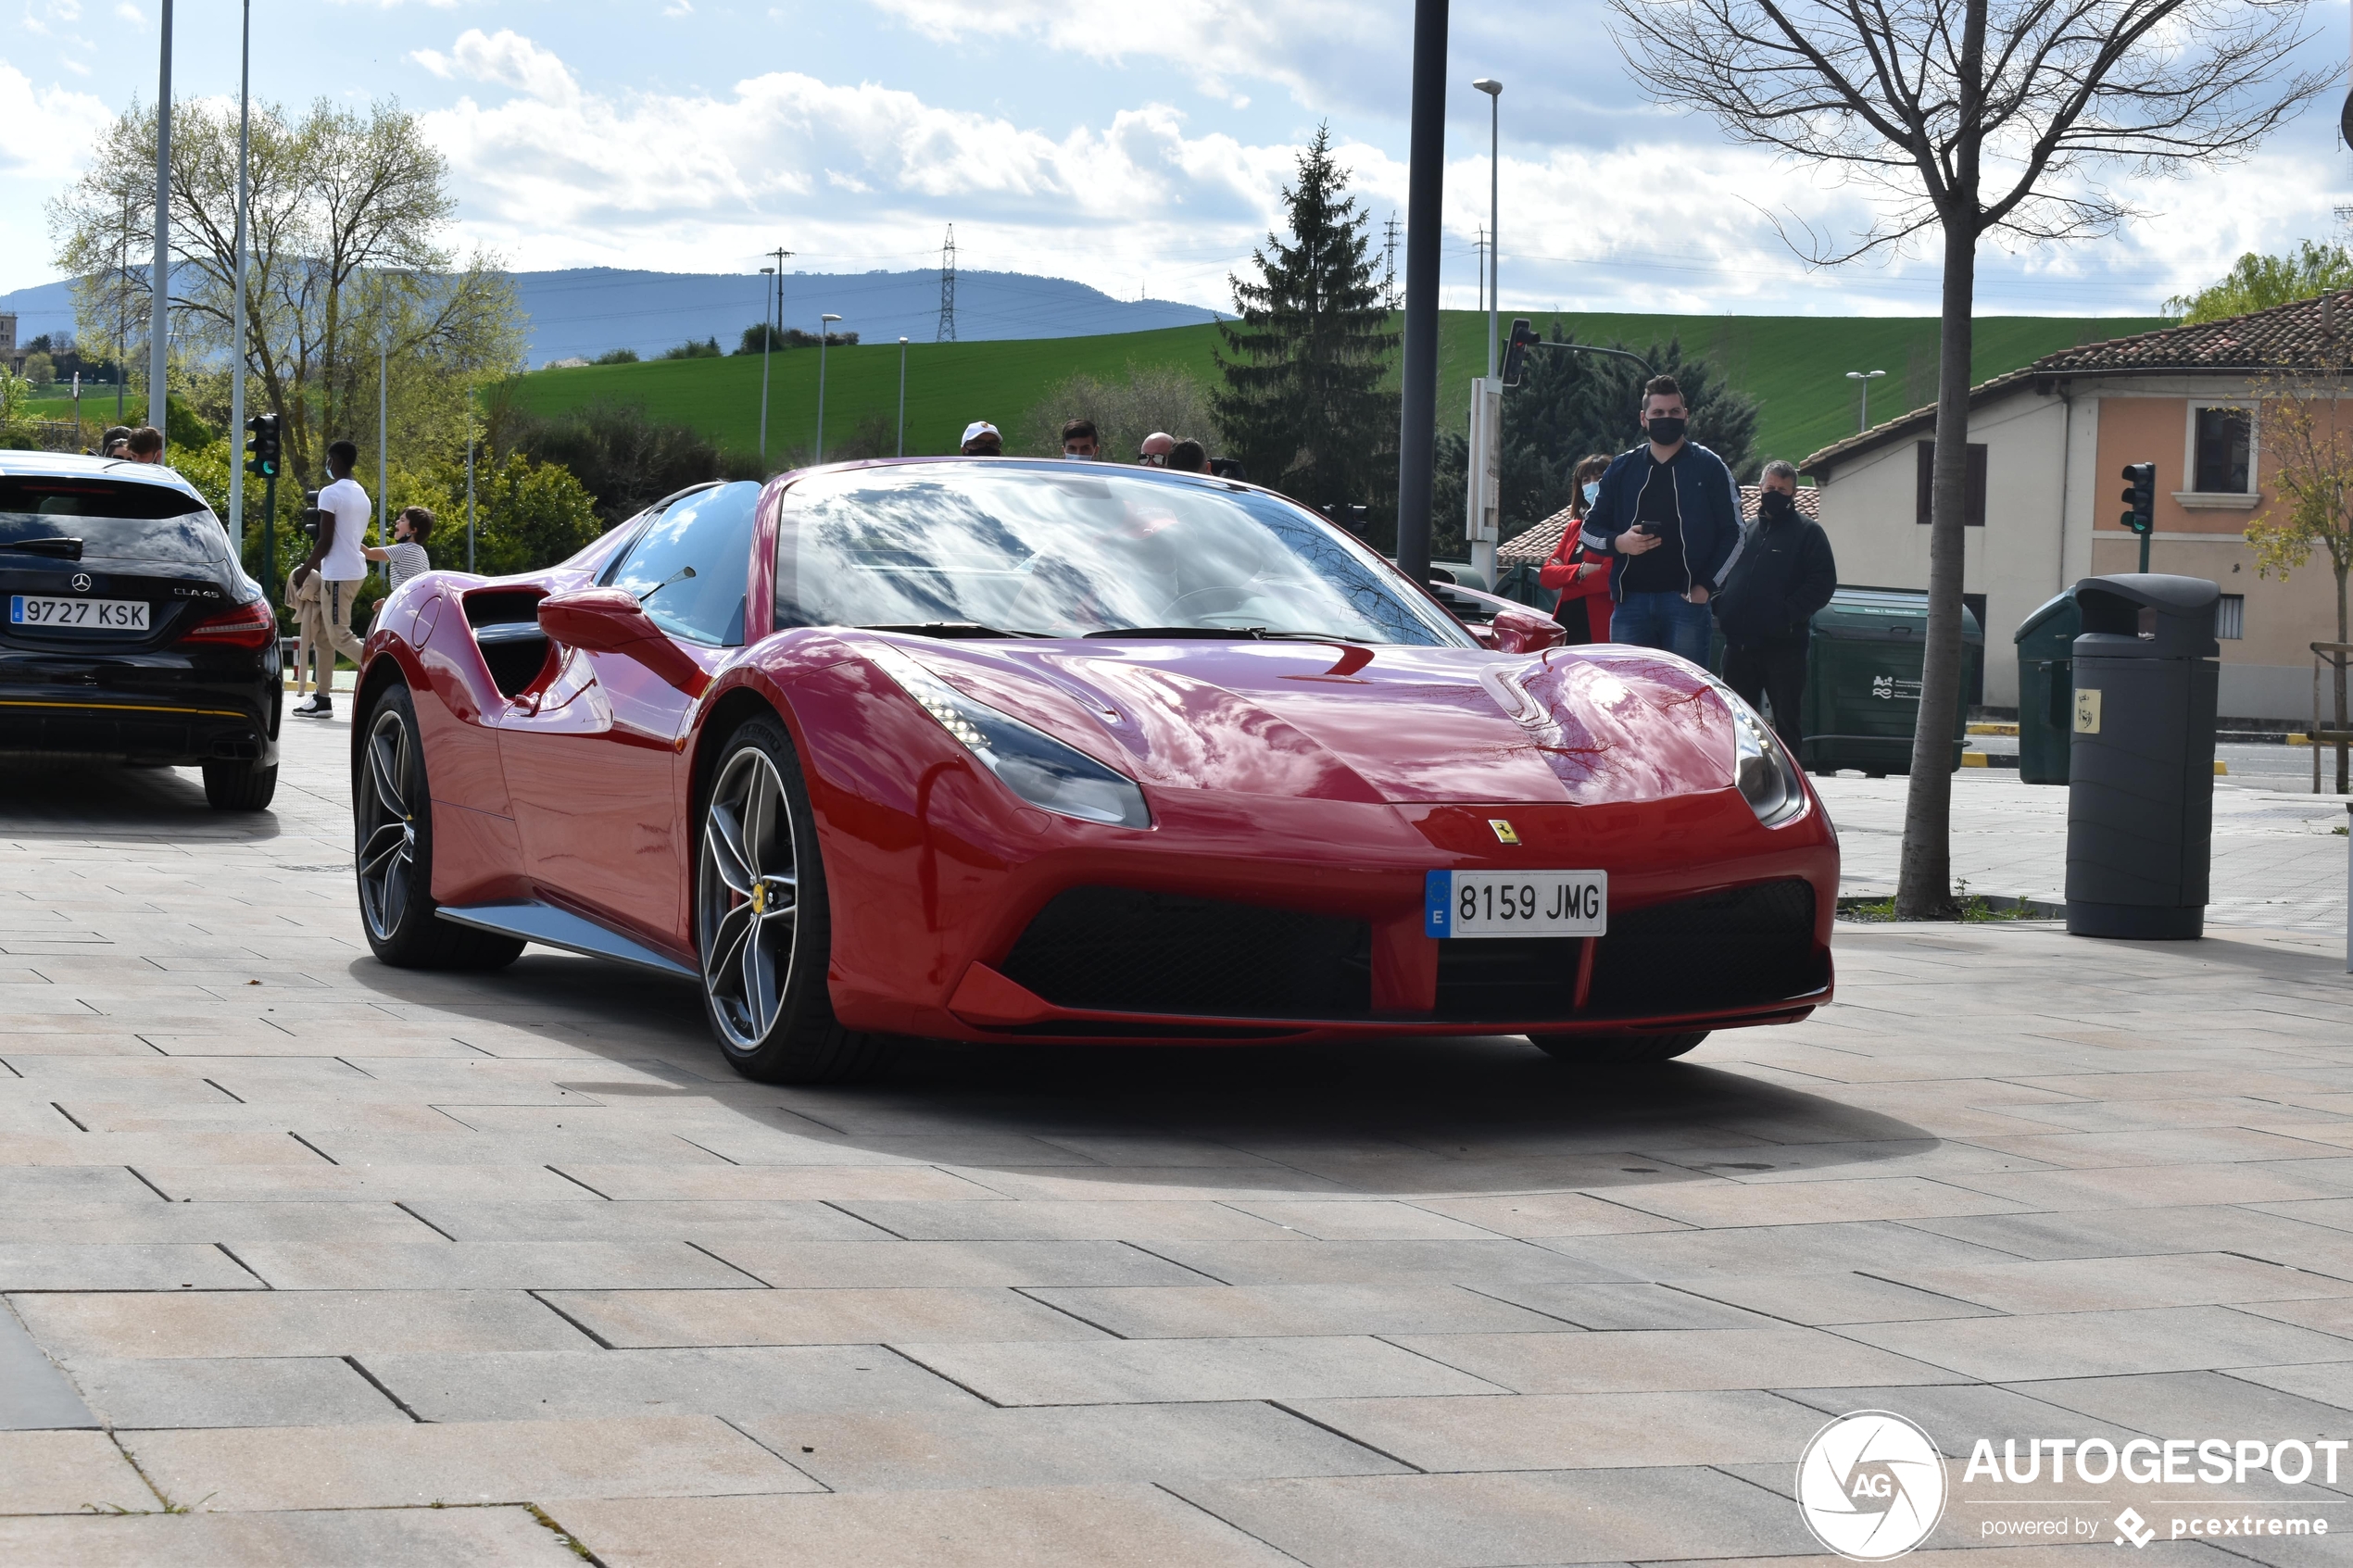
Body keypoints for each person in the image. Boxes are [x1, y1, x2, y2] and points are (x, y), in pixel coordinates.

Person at [1578, 374, 1743, 665]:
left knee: (1685, 698)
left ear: (1686, 416)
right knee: (1629, 697)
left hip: (1687, 603)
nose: (1667, 418)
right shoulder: (1622, 467)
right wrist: (1621, 542)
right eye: (1658, 413)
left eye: (1674, 412)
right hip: (1631, 605)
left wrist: (1706, 585)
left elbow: (1735, 533)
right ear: (1644, 418)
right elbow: (1588, 530)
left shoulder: (1709, 466)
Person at [1713, 459, 1836, 751]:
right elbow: (1720, 570)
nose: (1775, 494)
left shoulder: (1808, 533)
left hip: (1784, 648)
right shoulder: (1744, 531)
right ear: (1760, 488)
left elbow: (1822, 584)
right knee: (1736, 721)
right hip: (1738, 646)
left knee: (1786, 721)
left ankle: (1792, 786)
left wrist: (1786, 615)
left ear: (1793, 494)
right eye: (1771, 488)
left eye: (1783, 490)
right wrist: (1721, 604)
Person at [287, 440, 371, 719]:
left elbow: (325, 540)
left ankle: (387, 671)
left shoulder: (330, 493)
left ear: (334, 460)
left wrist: (303, 570)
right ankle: (322, 699)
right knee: (323, 637)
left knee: (339, 637)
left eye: (328, 459)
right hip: (351, 571)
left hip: (339, 575)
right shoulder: (361, 493)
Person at [1539, 453, 1616, 644]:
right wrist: (1582, 570)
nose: (1592, 484)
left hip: (1600, 627)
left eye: (1599, 478)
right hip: (1567, 623)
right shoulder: (1574, 528)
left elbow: (1609, 578)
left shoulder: (1620, 528)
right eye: (1586, 480)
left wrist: (1566, 583)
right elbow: (1546, 576)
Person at [364, 506, 434, 595]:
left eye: (402, 520)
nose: (397, 521)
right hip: (415, 599)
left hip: (405, 601)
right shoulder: (422, 553)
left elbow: (369, 553)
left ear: (413, 530)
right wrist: (388, 601)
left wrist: (348, 541)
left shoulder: (403, 550)